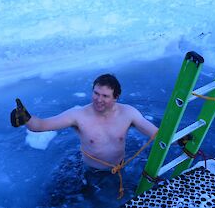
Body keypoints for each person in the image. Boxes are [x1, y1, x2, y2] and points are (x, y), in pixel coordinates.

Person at [10, 74, 158, 201]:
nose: (98, 99)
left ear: (116, 97)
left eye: (105, 96)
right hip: (91, 172)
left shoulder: (128, 113)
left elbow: (155, 133)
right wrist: (27, 119)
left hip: (119, 168)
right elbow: (41, 125)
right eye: (96, 93)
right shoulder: (78, 115)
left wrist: (179, 140)